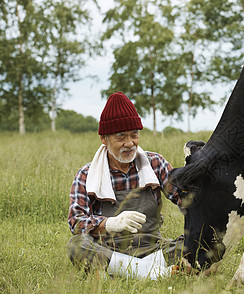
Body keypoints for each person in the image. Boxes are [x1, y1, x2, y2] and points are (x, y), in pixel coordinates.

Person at [67, 91, 183, 280]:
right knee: (77, 245)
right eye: (121, 137)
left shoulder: (155, 164)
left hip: (153, 248)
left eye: (134, 135)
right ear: (104, 139)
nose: (130, 143)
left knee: (200, 242)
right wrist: (109, 223)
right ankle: (158, 274)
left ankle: (123, 273)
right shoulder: (87, 175)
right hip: (109, 251)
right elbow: (76, 222)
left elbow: (184, 199)